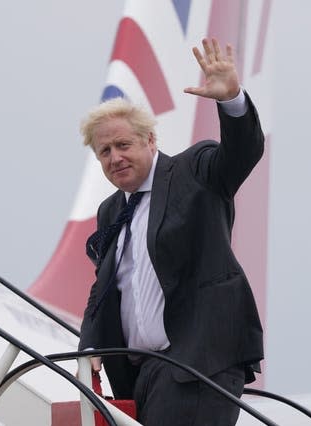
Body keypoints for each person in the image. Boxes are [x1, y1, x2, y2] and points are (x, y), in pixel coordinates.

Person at [78, 37, 264, 426]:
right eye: (105, 152)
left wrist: (231, 100)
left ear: (150, 140)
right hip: (141, 375)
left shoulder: (193, 171)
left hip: (198, 363)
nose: (115, 158)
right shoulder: (112, 211)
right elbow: (105, 289)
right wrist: (89, 347)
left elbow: (241, 153)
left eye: (123, 144)